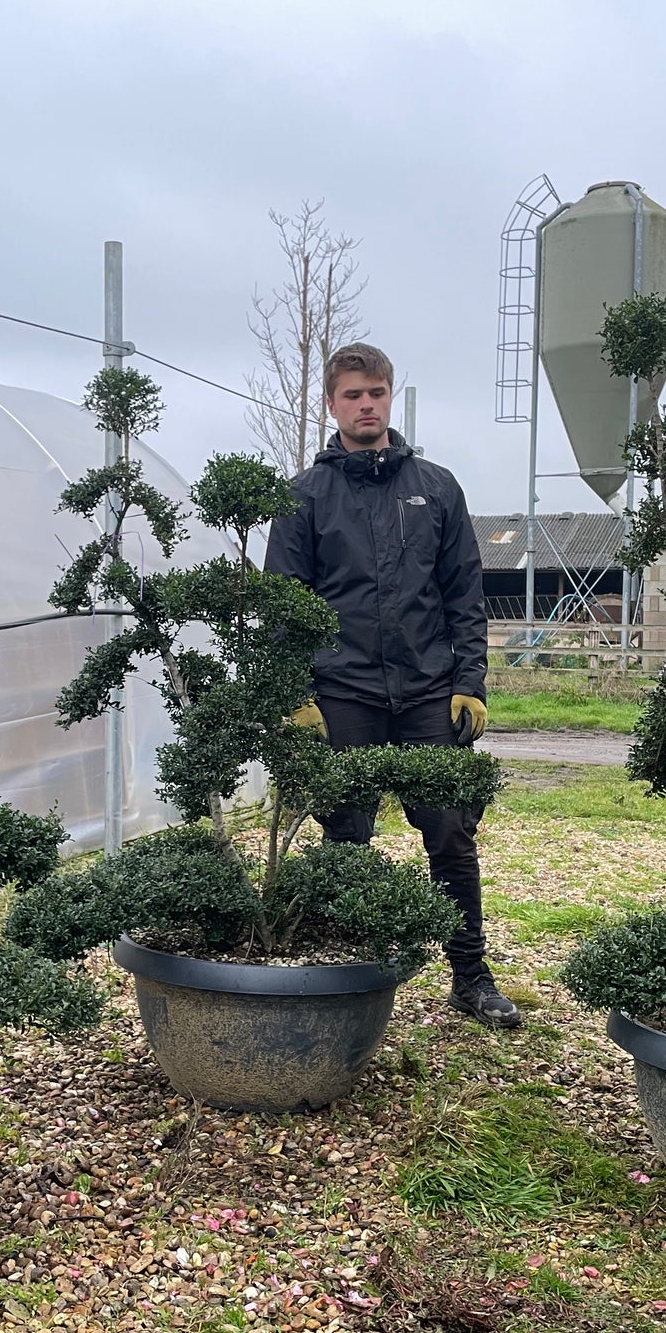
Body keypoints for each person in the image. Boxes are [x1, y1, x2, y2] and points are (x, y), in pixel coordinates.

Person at [264, 341, 520, 1027]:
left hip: (427, 694)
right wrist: (294, 693)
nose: (366, 404)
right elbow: (282, 601)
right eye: (352, 394)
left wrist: (470, 682)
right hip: (341, 691)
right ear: (331, 404)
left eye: (375, 392)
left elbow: (465, 595)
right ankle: (344, 980)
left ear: (389, 395)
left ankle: (470, 976)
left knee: (450, 834)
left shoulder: (435, 488)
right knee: (345, 832)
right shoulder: (303, 497)